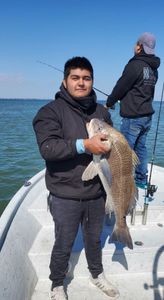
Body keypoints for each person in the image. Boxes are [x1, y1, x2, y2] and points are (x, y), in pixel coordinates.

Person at [33, 56, 119, 300]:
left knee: (94, 239)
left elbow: (111, 147)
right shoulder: (49, 112)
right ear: (65, 81)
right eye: (75, 78)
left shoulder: (101, 111)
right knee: (64, 242)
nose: (81, 83)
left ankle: (97, 274)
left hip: (96, 191)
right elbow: (48, 148)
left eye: (86, 78)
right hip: (65, 193)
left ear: (92, 81)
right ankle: (57, 284)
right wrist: (84, 145)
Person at [106, 32, 160, 189]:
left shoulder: (134, 65)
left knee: (125, 150)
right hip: (147, 117)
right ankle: (141, 179)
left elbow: (121, 86)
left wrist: (109, 103)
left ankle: (123, 184)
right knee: (140, 147)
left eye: (136, 44)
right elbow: (141, 91)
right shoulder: (153, 69)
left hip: (133, 117)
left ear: (139, 47)